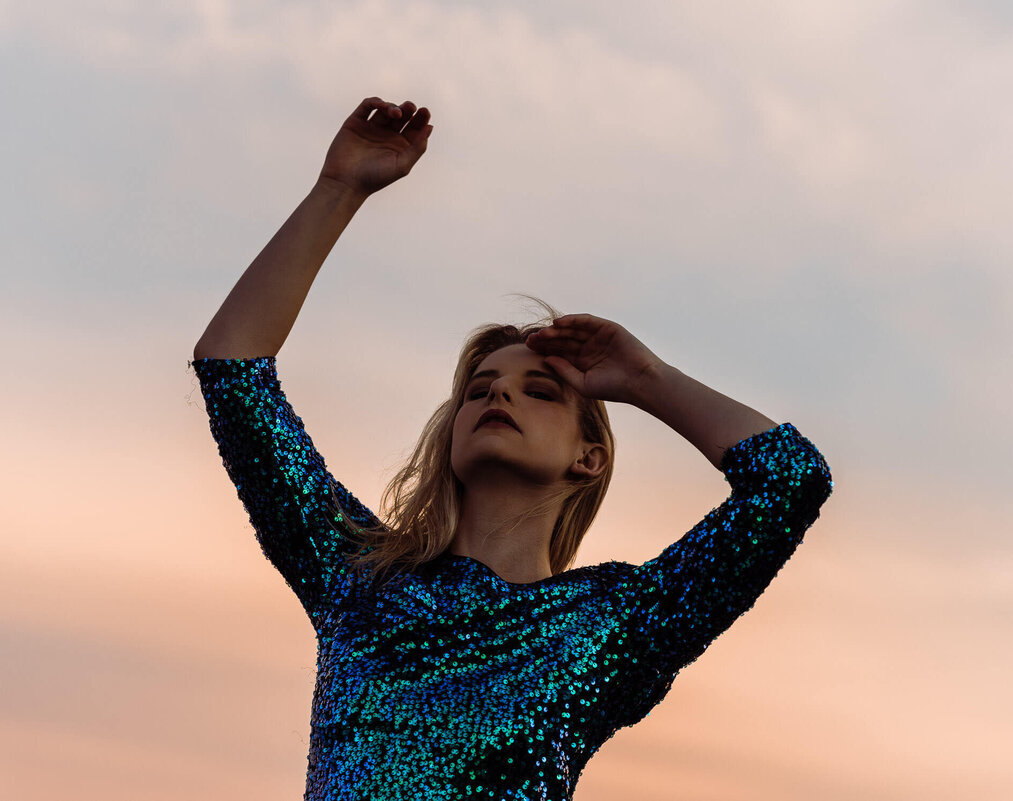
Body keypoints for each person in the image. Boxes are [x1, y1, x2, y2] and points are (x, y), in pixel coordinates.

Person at [188, 96, 834, 801]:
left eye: (541, 391)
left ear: (589, 457)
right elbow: (232, 367)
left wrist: (648, 379)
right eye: (479, 387)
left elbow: (790, 481)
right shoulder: (357, 578)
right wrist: (339, 190)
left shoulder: (608, 624)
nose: (498, 396)